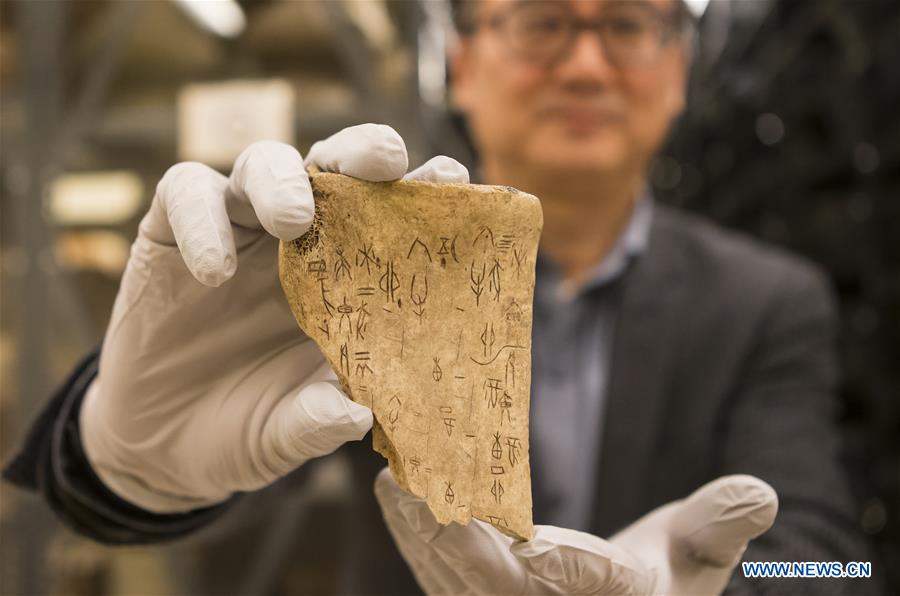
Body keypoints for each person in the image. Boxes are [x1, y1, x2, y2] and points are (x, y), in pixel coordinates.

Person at [4, 0, 879, 593]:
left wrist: (719, 580)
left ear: (679, 71)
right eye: (540, 23)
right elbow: (218, 487)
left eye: (628, 24)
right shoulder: (357, 270)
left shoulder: (766, 300)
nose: (584, 65)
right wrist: (124, 464)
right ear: (460, 64)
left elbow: (831, 566)